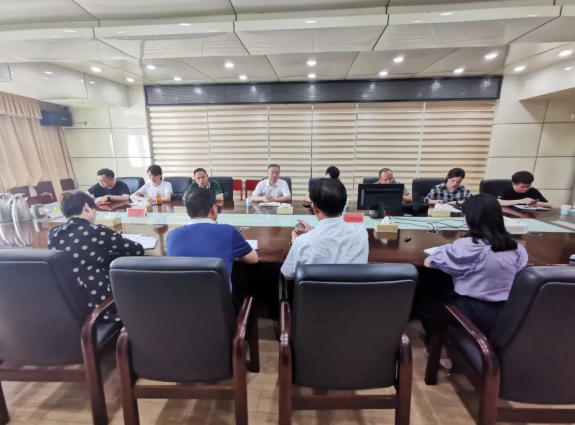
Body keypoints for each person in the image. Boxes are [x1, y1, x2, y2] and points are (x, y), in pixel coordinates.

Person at [424, 194, 528, 336]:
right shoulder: (518, 248)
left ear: (471, 218)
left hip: (473, 312)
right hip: (507, 312)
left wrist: (444, 250)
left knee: (427, 296)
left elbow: (429, 262)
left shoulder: (468, 246)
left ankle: (436, 342)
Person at [48, 191, 144, 322]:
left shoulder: (53, 234)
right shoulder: (96, 231)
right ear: (87, 207)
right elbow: (137, 250)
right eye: (94, 210)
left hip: (69, 306)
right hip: (99, 307)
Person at [166, 188, 258, 303]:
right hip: (219, 308)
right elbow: (253, 259)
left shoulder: (172, 236)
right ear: (214, 209)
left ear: (188, 211)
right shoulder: (228, 231)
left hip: (181, 306)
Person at [281, 179, 368, 281]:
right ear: (344, 204)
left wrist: (295, 243)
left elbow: (288, 276)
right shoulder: (361, 232)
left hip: (314, 292)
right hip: (352, 291)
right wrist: (311, 232)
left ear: (315, 208)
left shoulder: (302, 242)